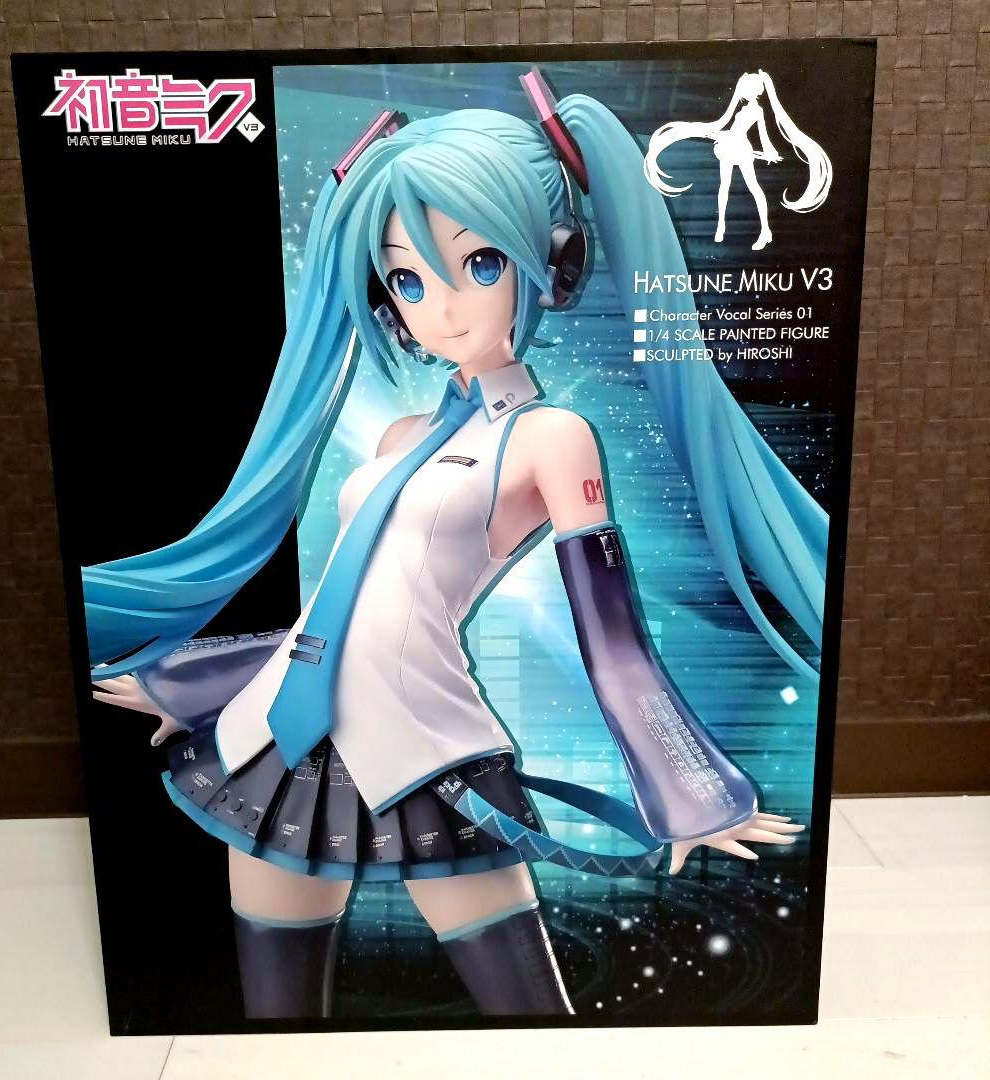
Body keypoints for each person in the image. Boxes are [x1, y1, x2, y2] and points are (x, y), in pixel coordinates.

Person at [87, 71, 817, 1019]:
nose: (441, 308)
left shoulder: (552, 439)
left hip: (431, 754)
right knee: (274, 1020)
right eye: (407, 279)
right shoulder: (398, 440)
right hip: (280, 744)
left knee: (530, 1022)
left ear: (551, 263)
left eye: (477, 264)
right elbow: (350, 611)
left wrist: (694, 794)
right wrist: (194, 682)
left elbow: (613, 641)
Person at [643, 69, 833, 250]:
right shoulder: (742, 108)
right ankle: (721, 226)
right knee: (724, 186)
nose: (742, 91)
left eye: (746, 87)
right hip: (729, 145)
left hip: (740, 147)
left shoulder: (757, 110)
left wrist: (768, 150)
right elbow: (729, 124)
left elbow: (762, 133)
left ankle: (765, 230)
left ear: (755, 90)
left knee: (753, 187)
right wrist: (716, 133)